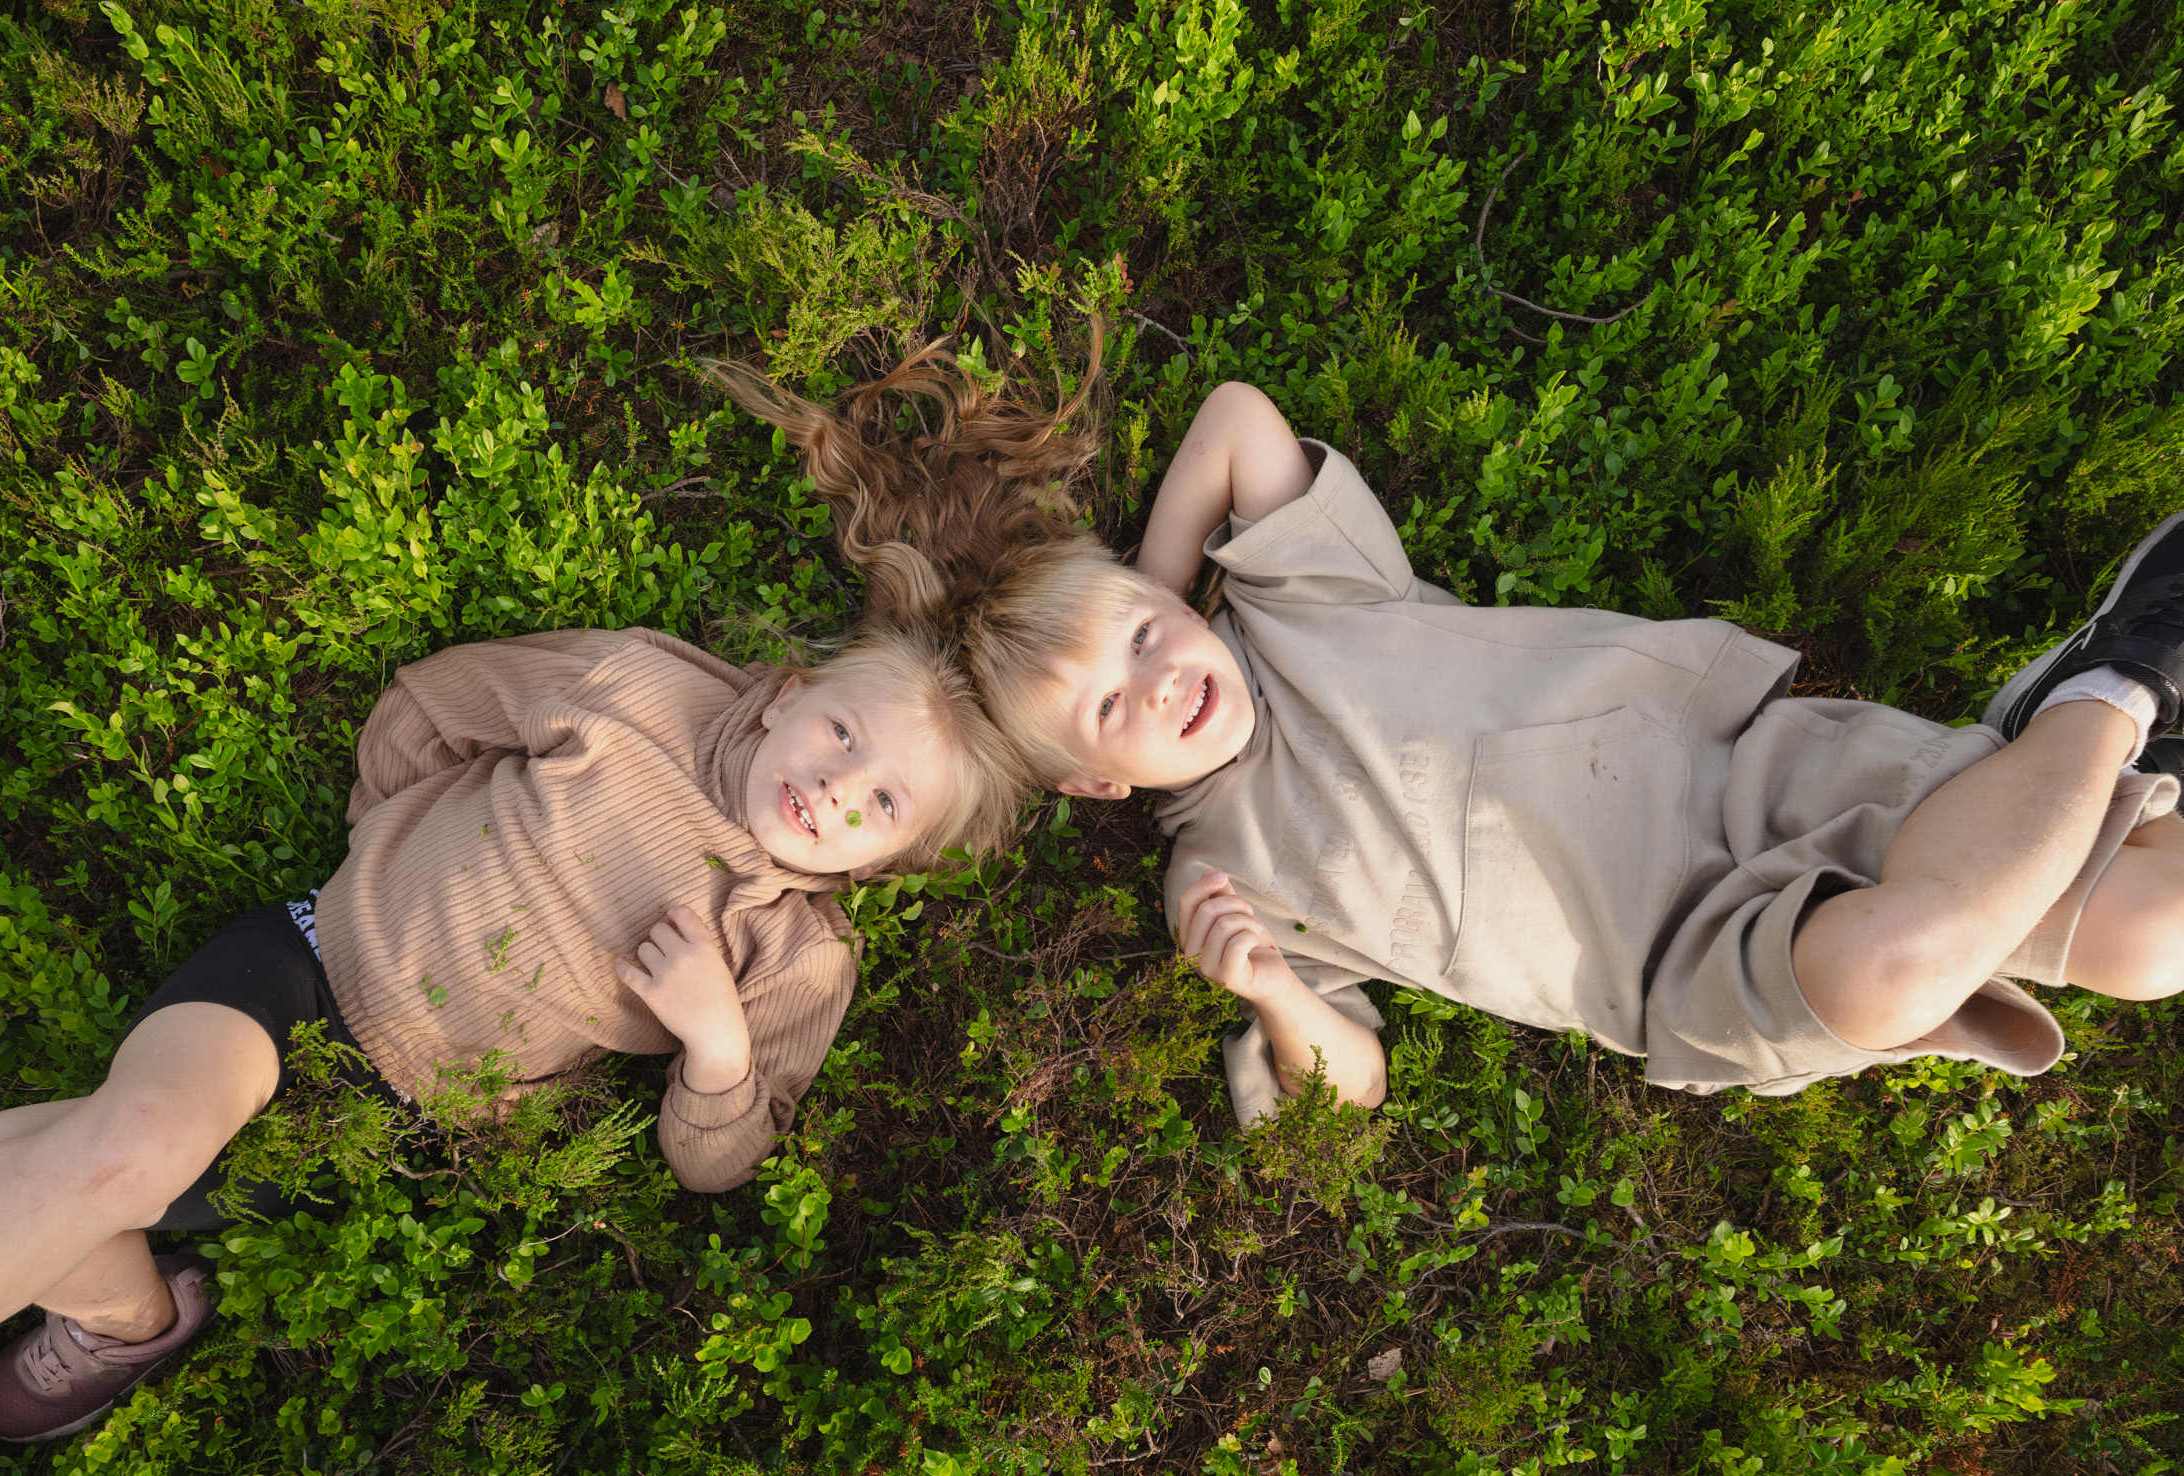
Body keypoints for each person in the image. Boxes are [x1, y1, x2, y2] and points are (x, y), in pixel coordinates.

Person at [0, 617, 1025, 1476]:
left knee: (21, 1166)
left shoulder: (793, 955)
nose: (841, 789)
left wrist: (717, 1046)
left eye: (886, 806)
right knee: (131, 1144)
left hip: (388, 1122)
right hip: (299, 970)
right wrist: (383, 857)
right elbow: (431, 710)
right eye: (844, 733)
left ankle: (132, 1317)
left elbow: (719, 1159)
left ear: (887, 864)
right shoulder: (634, 692)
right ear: (790, 689)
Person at [725, 351, 2184, 1133]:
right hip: (1699, 956)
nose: (1161, 677)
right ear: (1100, 788)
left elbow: (1235, 415)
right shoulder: (1222, 871)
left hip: (1755, 764)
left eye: (1149, 634)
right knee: (1907, 967)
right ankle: (2112, 687)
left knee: (2150, 938)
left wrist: (1158, 600)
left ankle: (2087, 713)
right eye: (1115, 709)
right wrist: (1281, 1006)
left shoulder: (1298, 598)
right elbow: (1351, 1078)